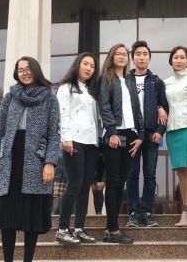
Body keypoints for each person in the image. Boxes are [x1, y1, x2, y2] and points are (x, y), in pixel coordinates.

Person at [0, 56, 60, 262]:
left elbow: (55, 132)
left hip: (35, 162)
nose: (25, 72)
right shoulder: (10, 97)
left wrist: (50, 162)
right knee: (8, 218)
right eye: (20, 69)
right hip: (11, 160)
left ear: (36, 71)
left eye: (28, 69)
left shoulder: (49, 97)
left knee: (30, 218)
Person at [97, 44, 144, 243]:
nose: (122, 57)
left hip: (130, 135)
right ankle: (113, 230)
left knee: (120, 183)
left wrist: (140, 134)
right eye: (118, 53)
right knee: (113, 182)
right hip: (114, 135)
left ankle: (111, 228)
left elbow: (137, 109)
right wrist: (112, 132)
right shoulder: (106, 79)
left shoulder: (130, 81)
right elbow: (104, 107)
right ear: (111, 56)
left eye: (125, 54)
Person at [55, 53, 100, 246]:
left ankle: (79, 228)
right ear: (77, 65)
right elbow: (62, 113)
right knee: (74, 184)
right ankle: (62, 230)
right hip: (74, 141)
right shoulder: (66, 88)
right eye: (85, 64)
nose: (89, 68)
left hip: (91, 143)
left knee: (84, 186)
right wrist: (66, 138)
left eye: (92, 66)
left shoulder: (90, 91)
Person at [126, 40, 169, 228]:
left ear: (149, 58)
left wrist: (160, 131)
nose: (141, 57)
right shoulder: (126, 81)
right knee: (132, 174)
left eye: (145, 54)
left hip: (152, 135)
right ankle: (134, 212)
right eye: (138, 54)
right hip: (132, 135)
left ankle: (147, 212)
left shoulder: (156, 82)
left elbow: (164, 108)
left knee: (150, 175)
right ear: (132, 58)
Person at [165, 46, 187, 226]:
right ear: (171, 60)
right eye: (176, 57)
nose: (179, 60)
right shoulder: (166, 82)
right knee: (179, 170)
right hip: (171, 129)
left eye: (182, 57)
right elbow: (162, 104)